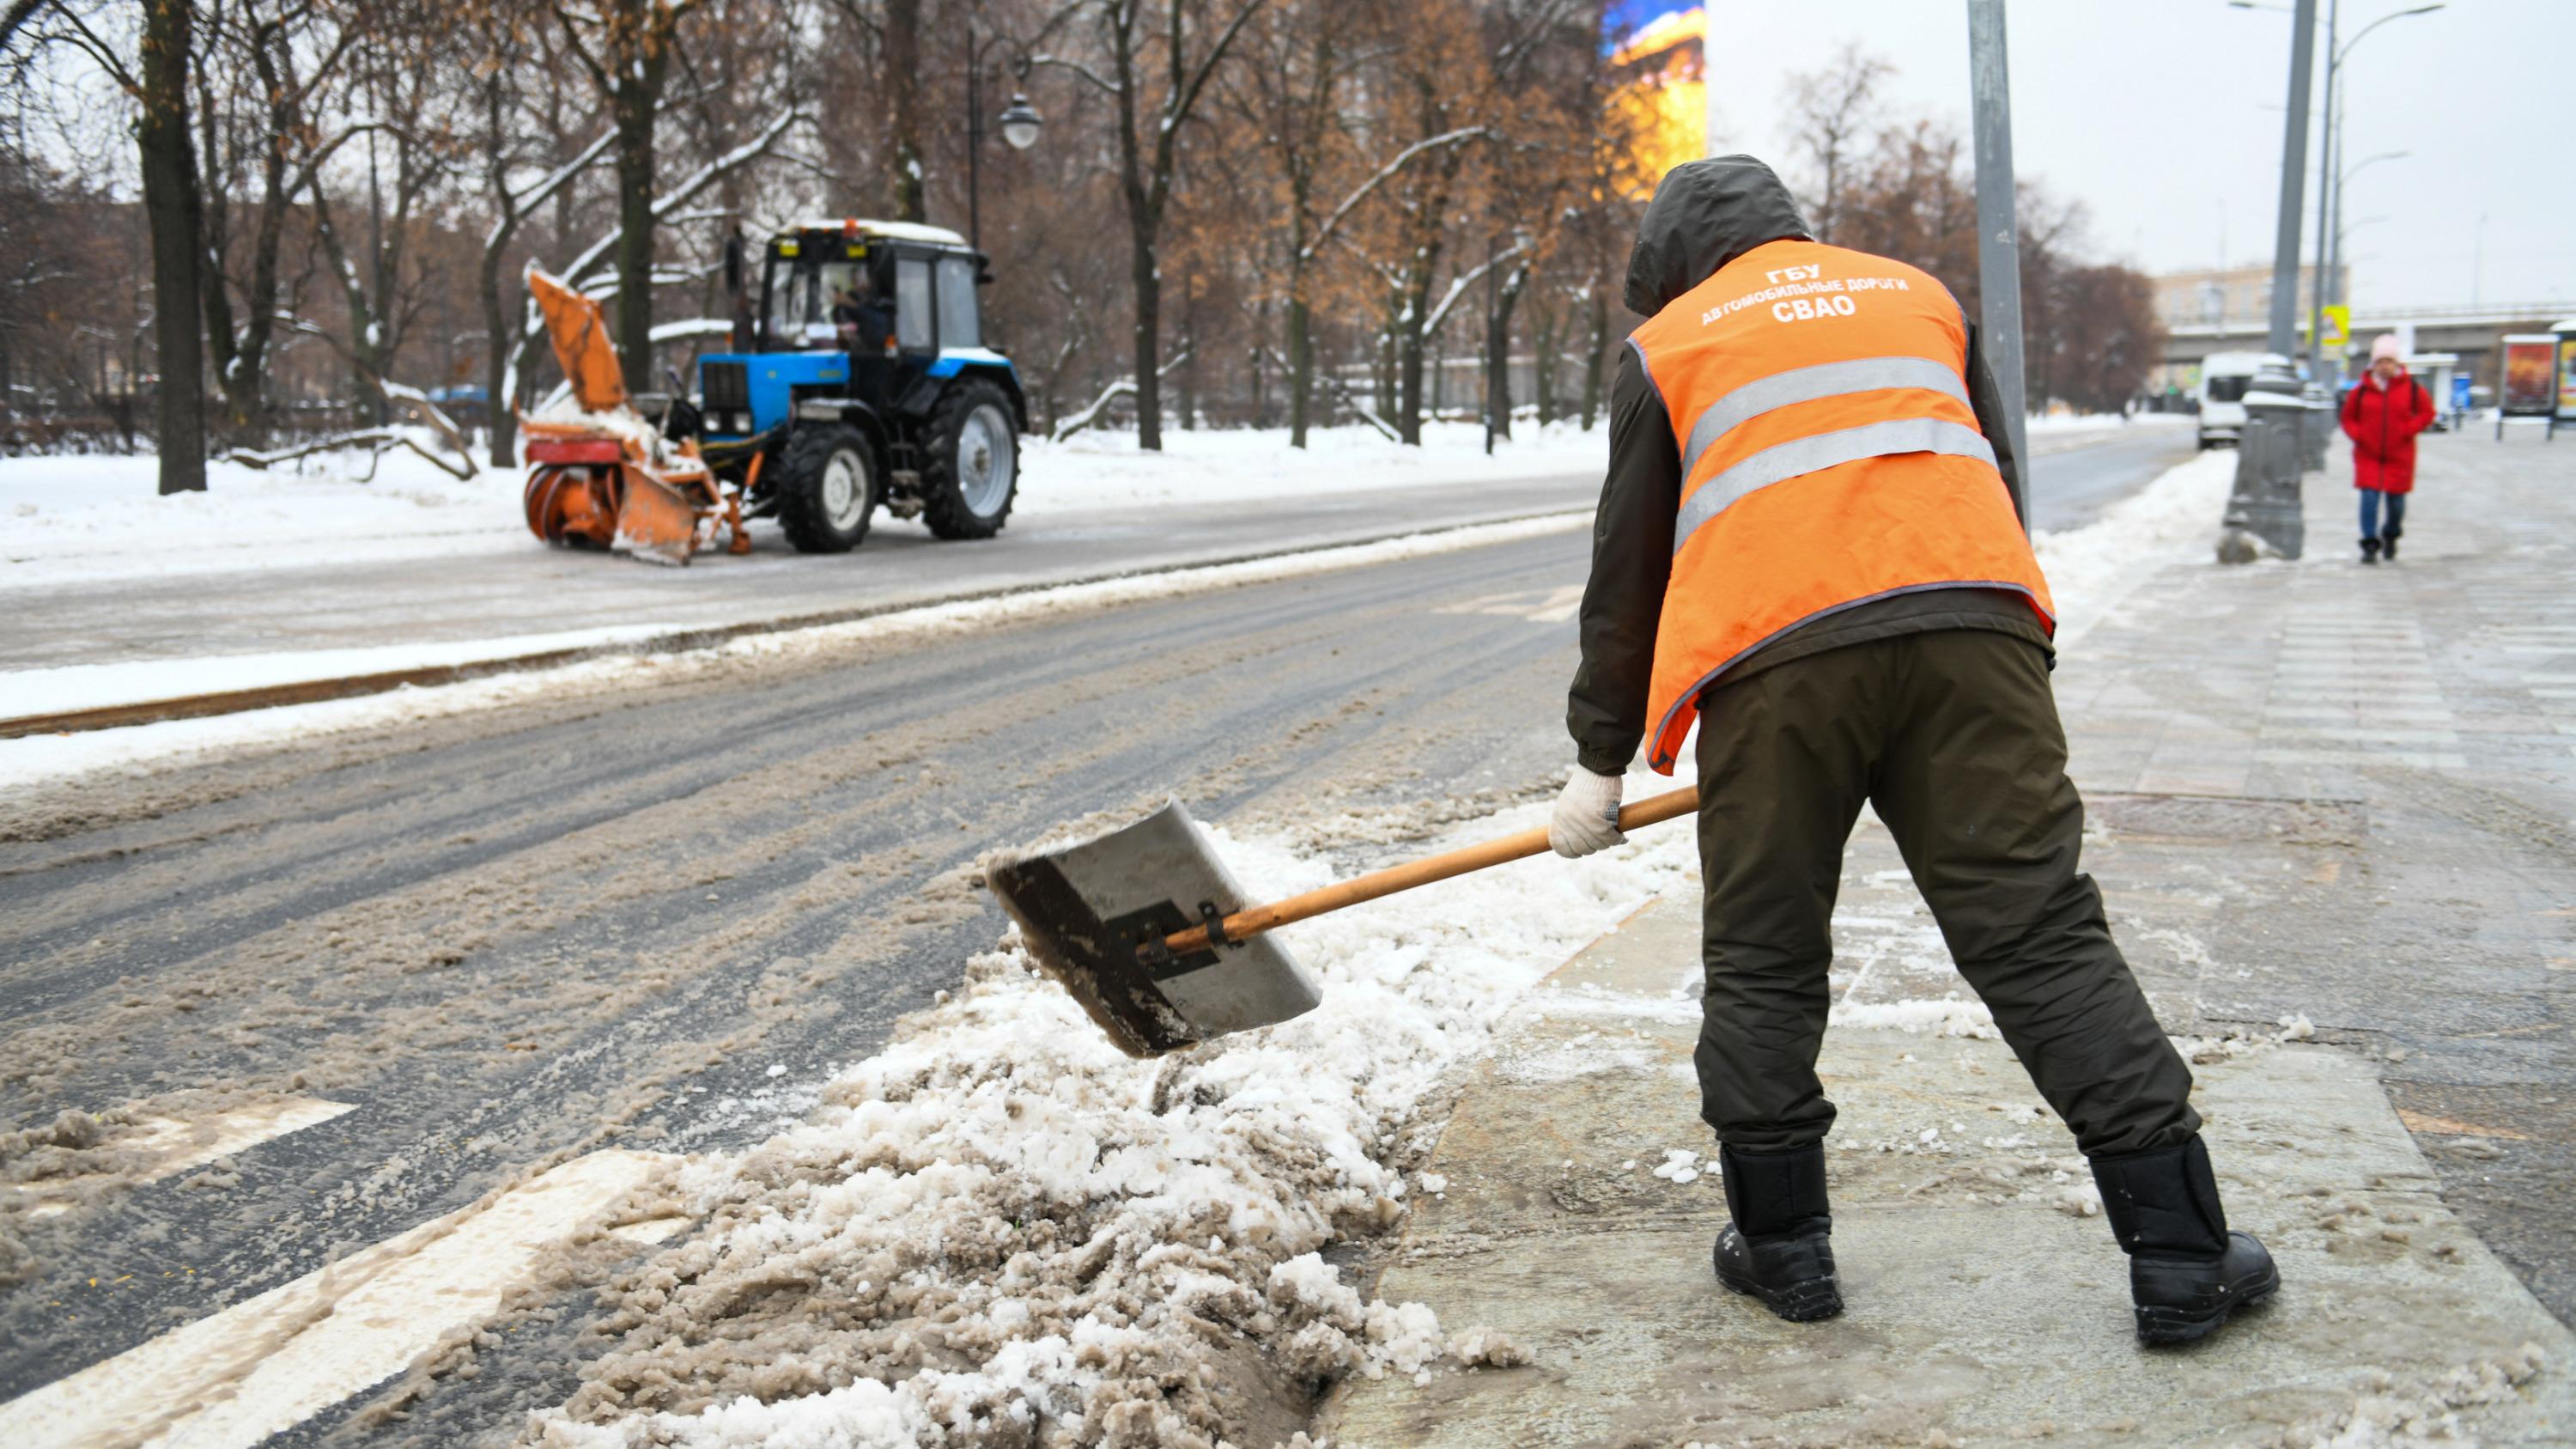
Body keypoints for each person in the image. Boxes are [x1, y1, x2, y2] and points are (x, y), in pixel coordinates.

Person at [1548, 156, 2277, 1346]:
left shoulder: (1671, 345)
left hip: (1777, 669)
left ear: (1674, 263)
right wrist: (1987, 652)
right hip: (1971, 632)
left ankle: (1785, 1251)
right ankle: (2184, 1254)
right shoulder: (1919, 296)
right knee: (2042, 932)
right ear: (1790, 229)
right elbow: (1987, 472)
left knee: (1765, 948)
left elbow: (1626, 576)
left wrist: (1599, 758)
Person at [2342, 334, 2435, 563]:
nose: (2384, 366)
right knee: (2369, 498)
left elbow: (2427, 414)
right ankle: (2370, 543)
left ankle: (2391, 535)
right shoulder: (2361, 391)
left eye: (2389, 361)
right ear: (2373, 363)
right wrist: (2359, 435)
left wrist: (2408, 429)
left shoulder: (2411, 388)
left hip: (2399, 454)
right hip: (2368, 454)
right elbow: (2347, 418)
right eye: (2380, 361)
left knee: (2396, 503)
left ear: (2396, 363)